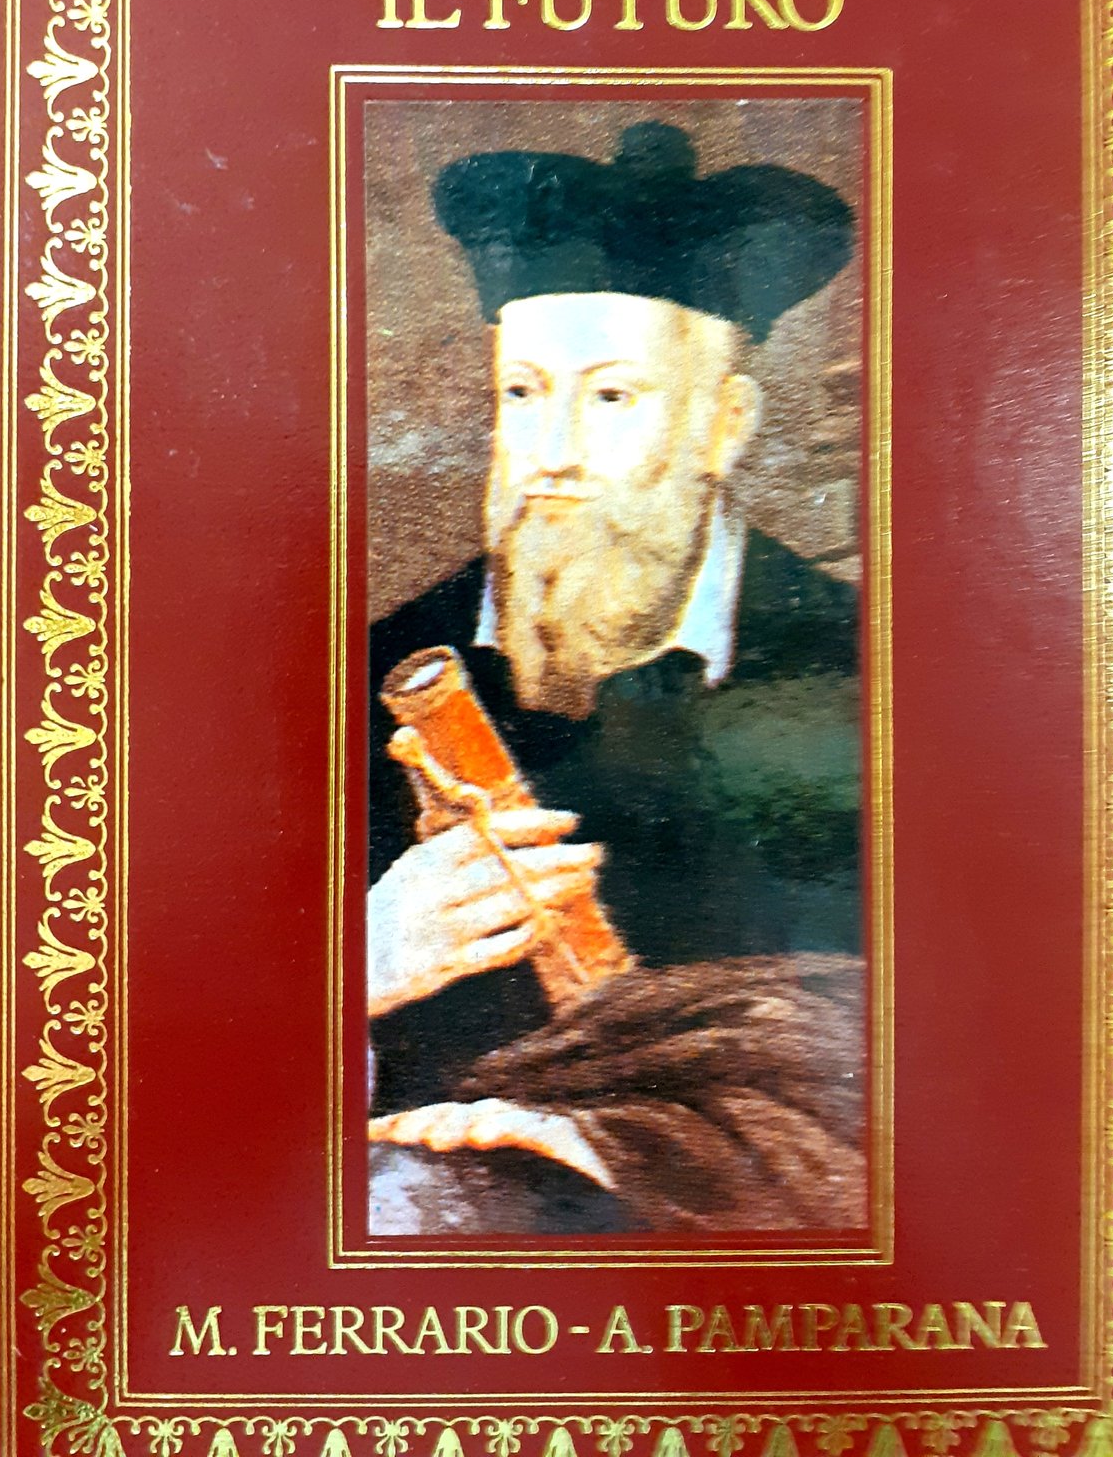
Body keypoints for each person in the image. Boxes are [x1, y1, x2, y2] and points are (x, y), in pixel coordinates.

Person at [365, 119, 865, 1233]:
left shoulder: (868, 667)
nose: (549, 453)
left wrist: (639, 1144)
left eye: (610, 400)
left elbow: (957, 1051)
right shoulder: (364, 670)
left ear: (724, 425)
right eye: (523, 394)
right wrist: (361, 962)